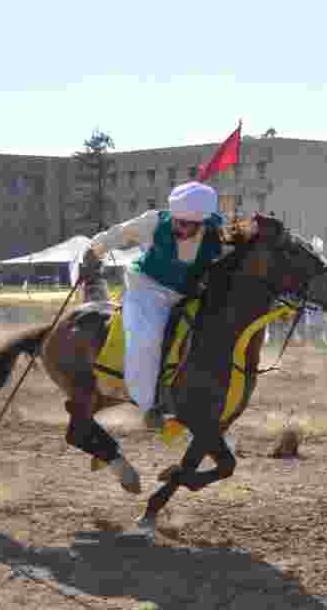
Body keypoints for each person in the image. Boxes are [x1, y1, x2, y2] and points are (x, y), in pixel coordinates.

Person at [86, 180, 232, 429]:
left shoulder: (219, 231)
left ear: (203, 222)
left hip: (189, 292)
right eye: (177, 221)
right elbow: (119, 234)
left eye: (187, 225)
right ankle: (148, 406)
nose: (179, 228)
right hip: (147, 289)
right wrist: (94, 251)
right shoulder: (153, 222)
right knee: (148, 339)